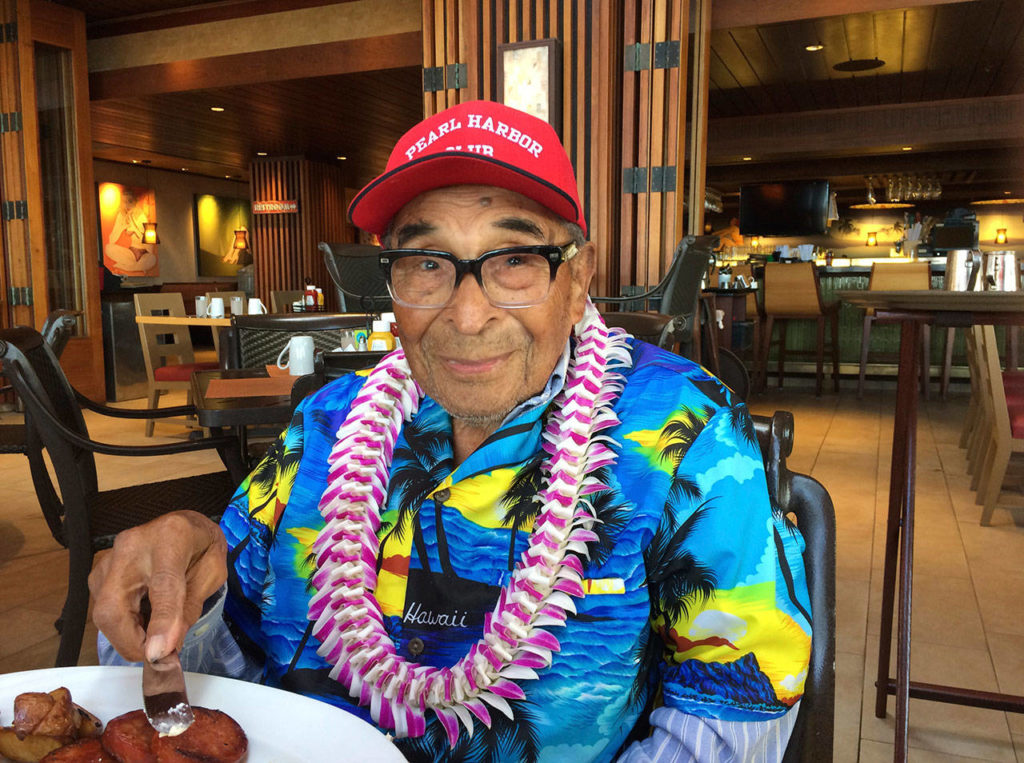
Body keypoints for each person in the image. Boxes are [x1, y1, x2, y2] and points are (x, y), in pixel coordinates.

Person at [90, 100, 811, 762]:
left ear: (579, 274)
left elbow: (732, 719)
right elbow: (217, 671)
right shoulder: (325, 424)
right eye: (428, 262)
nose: (467, 317)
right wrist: (176, 593)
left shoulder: (686, 434)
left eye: (516, 260)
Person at [103, 188, 157, 275]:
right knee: (108, 248)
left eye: (129, 201)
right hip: (130, 253)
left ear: (134, 202)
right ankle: (135, 267)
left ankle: (127, 267)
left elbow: (150, 242)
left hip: (144, 253)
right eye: (124, 202)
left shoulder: (142, 215)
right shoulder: (121, 215)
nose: (127, 205)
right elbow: (111, 240)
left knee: (152, 259)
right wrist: (121, 228)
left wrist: (135, 230)